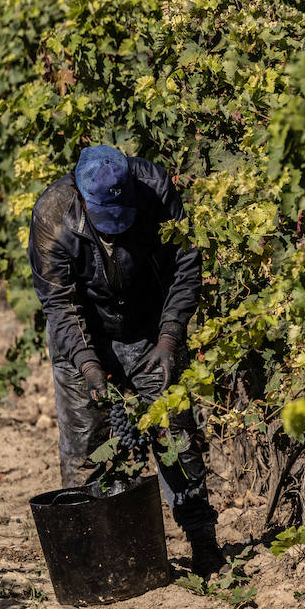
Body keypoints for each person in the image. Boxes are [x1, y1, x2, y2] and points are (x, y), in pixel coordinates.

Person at [27, 143, 224, 578]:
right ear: (81, 197)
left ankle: (203, 543)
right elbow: (59, 303)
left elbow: (185, 265)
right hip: (83, 337)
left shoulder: (156, 190)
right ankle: (90, 559)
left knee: (176, 436)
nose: (114, 233)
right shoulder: (53, 216)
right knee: (85, 448)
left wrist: (170, 336)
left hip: (149, 331)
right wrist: (87, 363)